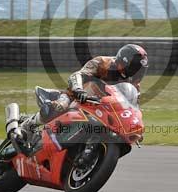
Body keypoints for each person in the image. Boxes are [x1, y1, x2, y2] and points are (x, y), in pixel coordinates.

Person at [13, 44, 148, 154]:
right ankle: (26, 127)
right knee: (58, 107)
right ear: (123, 62)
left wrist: (134, 127)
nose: (136, 73)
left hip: (102, 108)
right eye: (134, 68)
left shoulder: (134, 85)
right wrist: (78, 89)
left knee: (118, 137)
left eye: (139, 70)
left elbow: (133, 107)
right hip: (78, 98)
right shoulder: (103, 63)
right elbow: (78, 75)